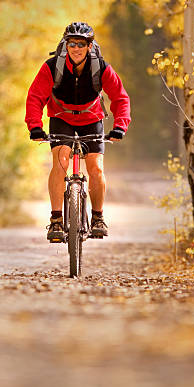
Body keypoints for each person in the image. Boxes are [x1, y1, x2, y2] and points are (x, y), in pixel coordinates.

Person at [25, 21, 131, 242]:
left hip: (92, 119)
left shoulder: (101, 67)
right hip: (61, 118)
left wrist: (120, 126)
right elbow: (35, 97)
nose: (76, 48)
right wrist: (35, 126)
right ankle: (56, 220)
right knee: (61, 162)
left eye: (81, 43)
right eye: (72, 43)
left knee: (96, 168)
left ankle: (98, 218)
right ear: (66, 44)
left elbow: (120, 98)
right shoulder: (52, 66)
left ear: (90, 46)